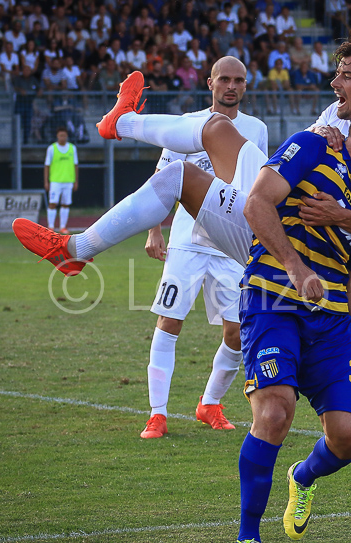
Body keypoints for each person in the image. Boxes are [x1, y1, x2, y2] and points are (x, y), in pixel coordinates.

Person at [230, 95, 351, 543]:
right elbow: (256, 204)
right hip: (272, 300)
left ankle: (303, 477)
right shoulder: (312, 147)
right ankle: (248, 537)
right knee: (274, 411)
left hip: (330, 322)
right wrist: (294, 266)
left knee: (349, 437)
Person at [139, 57, 268, 440]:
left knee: (238, 332)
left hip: (231, 245)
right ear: (210, 82)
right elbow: (162, 180)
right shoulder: (188, 124)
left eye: (238, 80)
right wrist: (154, 230)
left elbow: (259, 185)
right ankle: (157, 414)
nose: (231, 86)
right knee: (169, 321)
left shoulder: (256, 130)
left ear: (246, 86)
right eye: (224, 79)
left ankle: (210, 403)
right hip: (186, 241)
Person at [43, 127, 78, 233]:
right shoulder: (52, 149)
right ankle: (51, 226)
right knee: (52, 203)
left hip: (68, 181)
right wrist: (46, 181)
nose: (62, 137)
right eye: (60, 135)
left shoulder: (72, 148)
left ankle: (63, 226)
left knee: (65, 204)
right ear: (57, 136)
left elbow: (75, 165)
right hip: (55, 181)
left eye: (64, 135)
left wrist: (76, 181)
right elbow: (47, 165)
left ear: (67, 136)